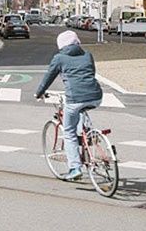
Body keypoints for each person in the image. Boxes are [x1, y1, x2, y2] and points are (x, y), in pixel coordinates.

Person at [35, 29, 103, 181]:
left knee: (69, 131)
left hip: (75, 98)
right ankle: (87, 133)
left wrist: (39, 93)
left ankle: (75, 168)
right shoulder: (87, 55)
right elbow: (91, 73)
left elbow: (48, 77)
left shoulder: (59, 58)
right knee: (81, 110)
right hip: (96, 96)